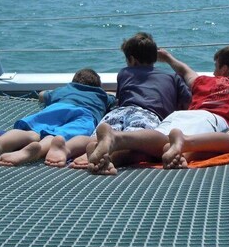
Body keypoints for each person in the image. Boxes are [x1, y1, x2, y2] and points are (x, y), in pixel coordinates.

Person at [87, 45, 229, 175]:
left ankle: (114, 155)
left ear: (224, 69)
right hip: (212, 119)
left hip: (182, 116)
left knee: (158, 144)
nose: (214, 72)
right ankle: (118, 138)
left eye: (215, 67)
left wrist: (167, 57)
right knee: (173, 144)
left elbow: (185, 71)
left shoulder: (205, 81)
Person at [62, 32, 192, 168]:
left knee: (97, 138)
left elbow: (122, 97)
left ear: (131, 60)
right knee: (134, 143)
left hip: (119, 112)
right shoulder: (172, 77)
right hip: (147, 114)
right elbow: (187, 103)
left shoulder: (124, 73)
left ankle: (69, 149)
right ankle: (112, 156)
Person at [0, 68, 115, 166]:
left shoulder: (63, 90)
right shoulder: (101, 95)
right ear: (98, 86)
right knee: (58, 137)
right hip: (84, 114)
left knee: (31, 133)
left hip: (57, 108)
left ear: (73, 82)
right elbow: (115, 98)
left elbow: (42, 95)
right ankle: (38, 150)